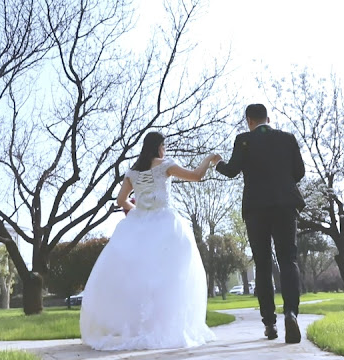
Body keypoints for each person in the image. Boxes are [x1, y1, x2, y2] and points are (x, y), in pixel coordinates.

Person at [80, 132, 219, 350]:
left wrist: (138, 210)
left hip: (139, 225)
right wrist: (209, 158)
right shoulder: (165, 166)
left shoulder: (133, 172)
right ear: (158, 147)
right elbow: (196, 176)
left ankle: (143, 326)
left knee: (142, 279)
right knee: (170, 278)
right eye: (164, 146)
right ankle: (166, 326)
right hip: (165, 223)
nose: (165, 150)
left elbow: (120, 200)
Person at [216, 104, 305, 344]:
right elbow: (299, 172)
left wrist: (218, 162)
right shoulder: (287, 138)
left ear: (249, 120)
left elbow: (232, 170)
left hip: (256, 208)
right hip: (285, 205)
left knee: (263, 264)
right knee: (288, 259)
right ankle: (291, 313)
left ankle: (269, 324)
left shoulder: (243, 140)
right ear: (268, 117)